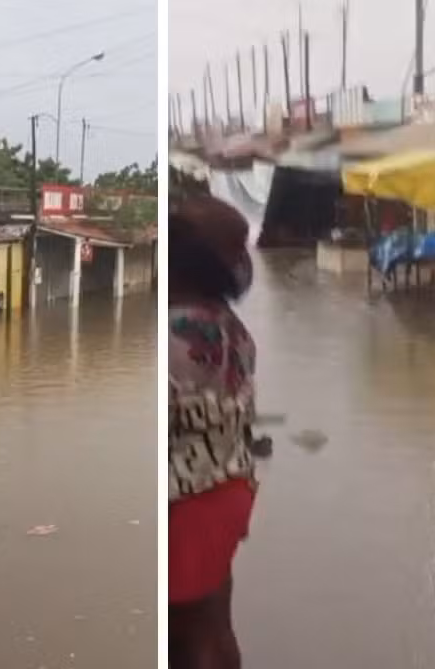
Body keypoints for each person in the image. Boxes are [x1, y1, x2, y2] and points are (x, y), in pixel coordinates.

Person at [168, 194, 258, 669]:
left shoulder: (173, 335)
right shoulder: (231, 327)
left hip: (188, 502)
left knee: (185, 639)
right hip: (229, 488)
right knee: (214, 621)